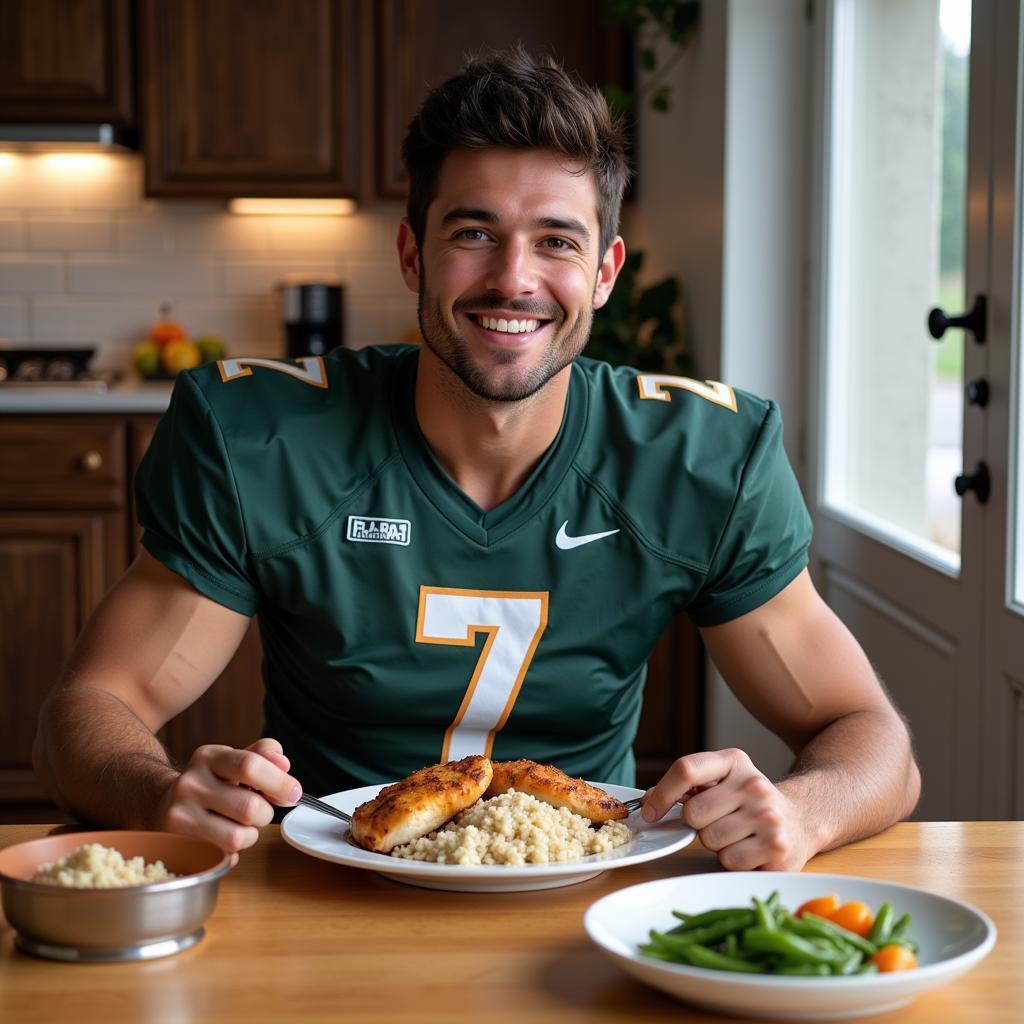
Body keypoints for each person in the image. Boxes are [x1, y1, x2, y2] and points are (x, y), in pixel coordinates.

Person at [33, 47, 920, 871]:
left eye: (557, 241)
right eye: (473, 233)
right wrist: (160, 796)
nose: (514, 278)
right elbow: (92, 707)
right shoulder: (265, 438)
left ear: (605, 271)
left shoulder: (697, 458)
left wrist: (803, 811)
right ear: (413, 254)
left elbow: (869, 736)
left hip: (579, 889)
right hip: (332, 888)